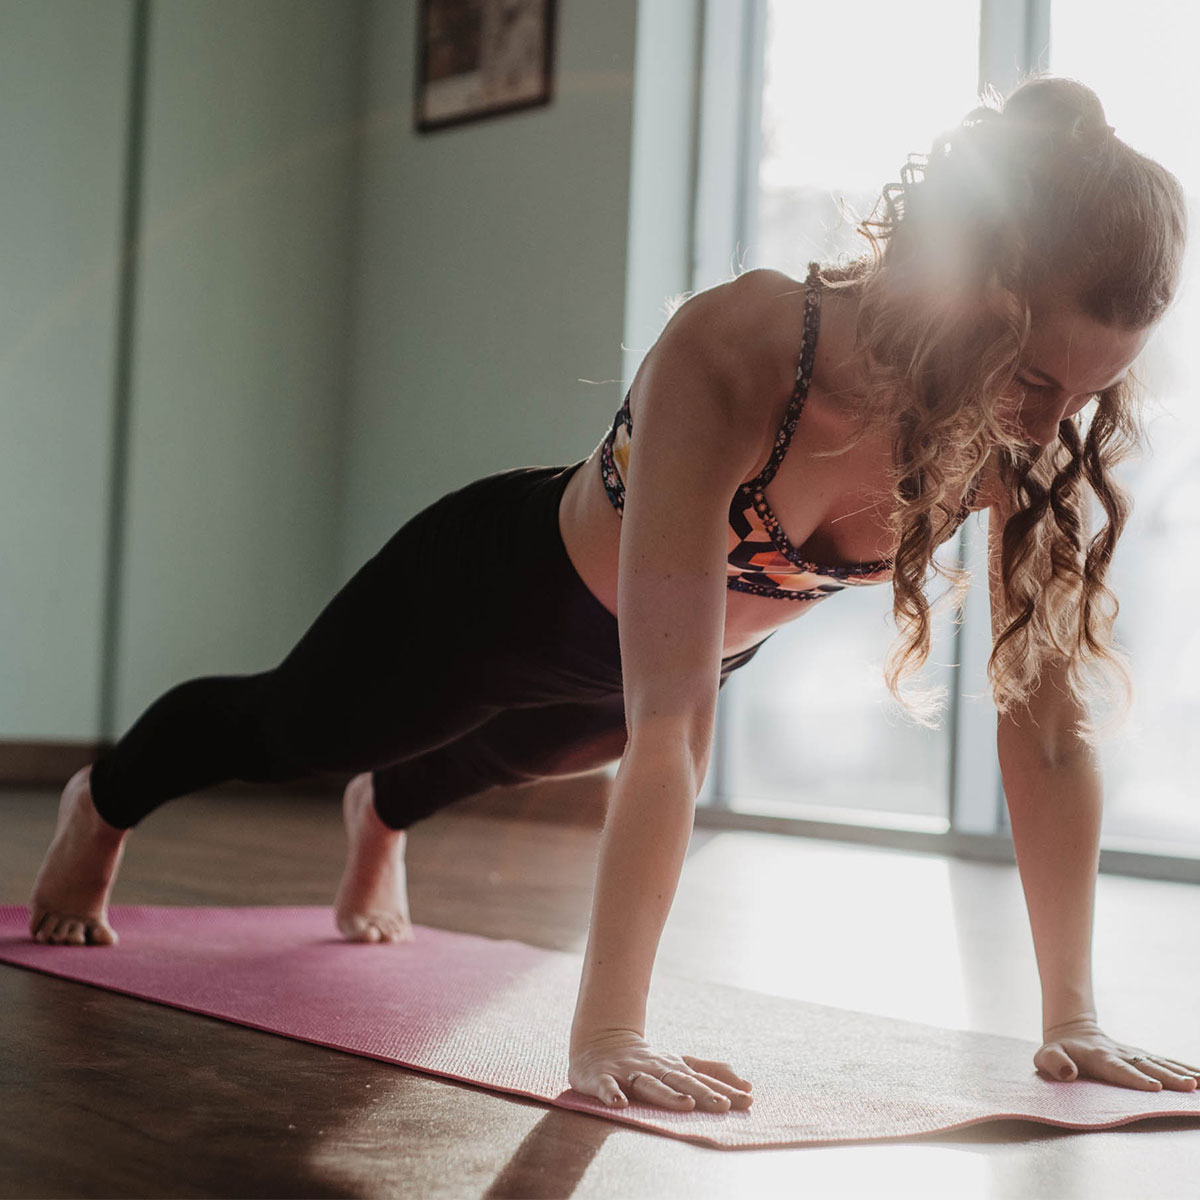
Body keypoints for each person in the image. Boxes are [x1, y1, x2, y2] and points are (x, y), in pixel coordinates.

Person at [27, 74, 1200, 1114]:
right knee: (296, 728)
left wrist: (1074, 1018)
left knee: (514, 757)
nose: (1049, 430)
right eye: (1038, 378)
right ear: (974, 291)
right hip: (490, 595)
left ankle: (382, 816)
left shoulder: (1016, 439)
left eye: (1085, 399)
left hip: (630, 673)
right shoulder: (743, 346)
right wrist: (608, 1037)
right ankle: (104, 801)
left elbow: (1045, 732)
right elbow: (676, 724)